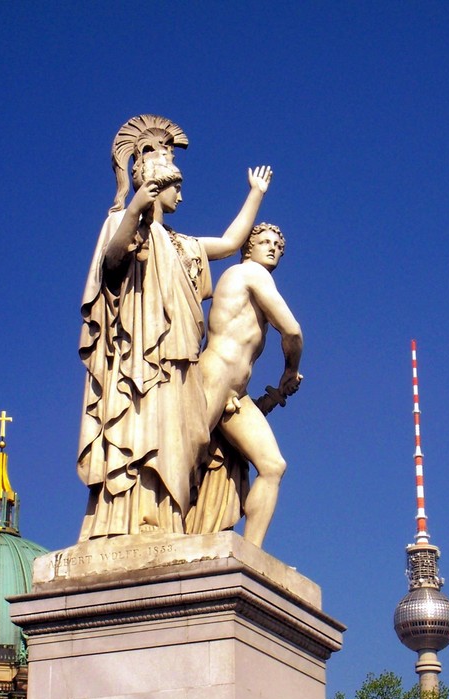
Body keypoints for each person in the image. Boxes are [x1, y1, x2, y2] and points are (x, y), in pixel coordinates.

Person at [78, 115, 273, 540]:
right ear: (156, 187)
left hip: (181, 360)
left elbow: (230, 241)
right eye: (176, 187)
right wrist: (132, 206)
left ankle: (169, 520)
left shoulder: (183, 244)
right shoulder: (124, 224)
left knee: (180, 441)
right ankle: (130, 521)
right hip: (139, 361)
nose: (181, 196)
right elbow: (112, 263)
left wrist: (255, 195)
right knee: (141, 433)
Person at [191, 223, 302, 547]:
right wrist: (290, 371)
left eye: (278, 246)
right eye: (265, 241)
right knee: (189, 455)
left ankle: (250, 553)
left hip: (236, 392)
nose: (272, 248)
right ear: (248, 248)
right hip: (214, 373)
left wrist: (274, 396)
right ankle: (158, 526)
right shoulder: (250, 273)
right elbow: (292, 332)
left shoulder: (252, 278)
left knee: (272, 466)